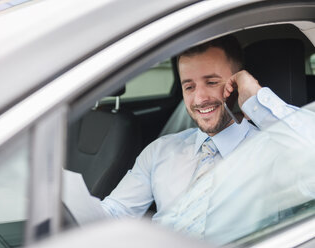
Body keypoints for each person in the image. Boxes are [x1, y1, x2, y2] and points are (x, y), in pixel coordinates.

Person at [100, 36, 301, 244]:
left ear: (236, 83)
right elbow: (115, 212)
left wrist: (257, 99)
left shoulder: (277, 152)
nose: (199, 99)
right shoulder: (160, 151)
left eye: (212, 82)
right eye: (189, 87)